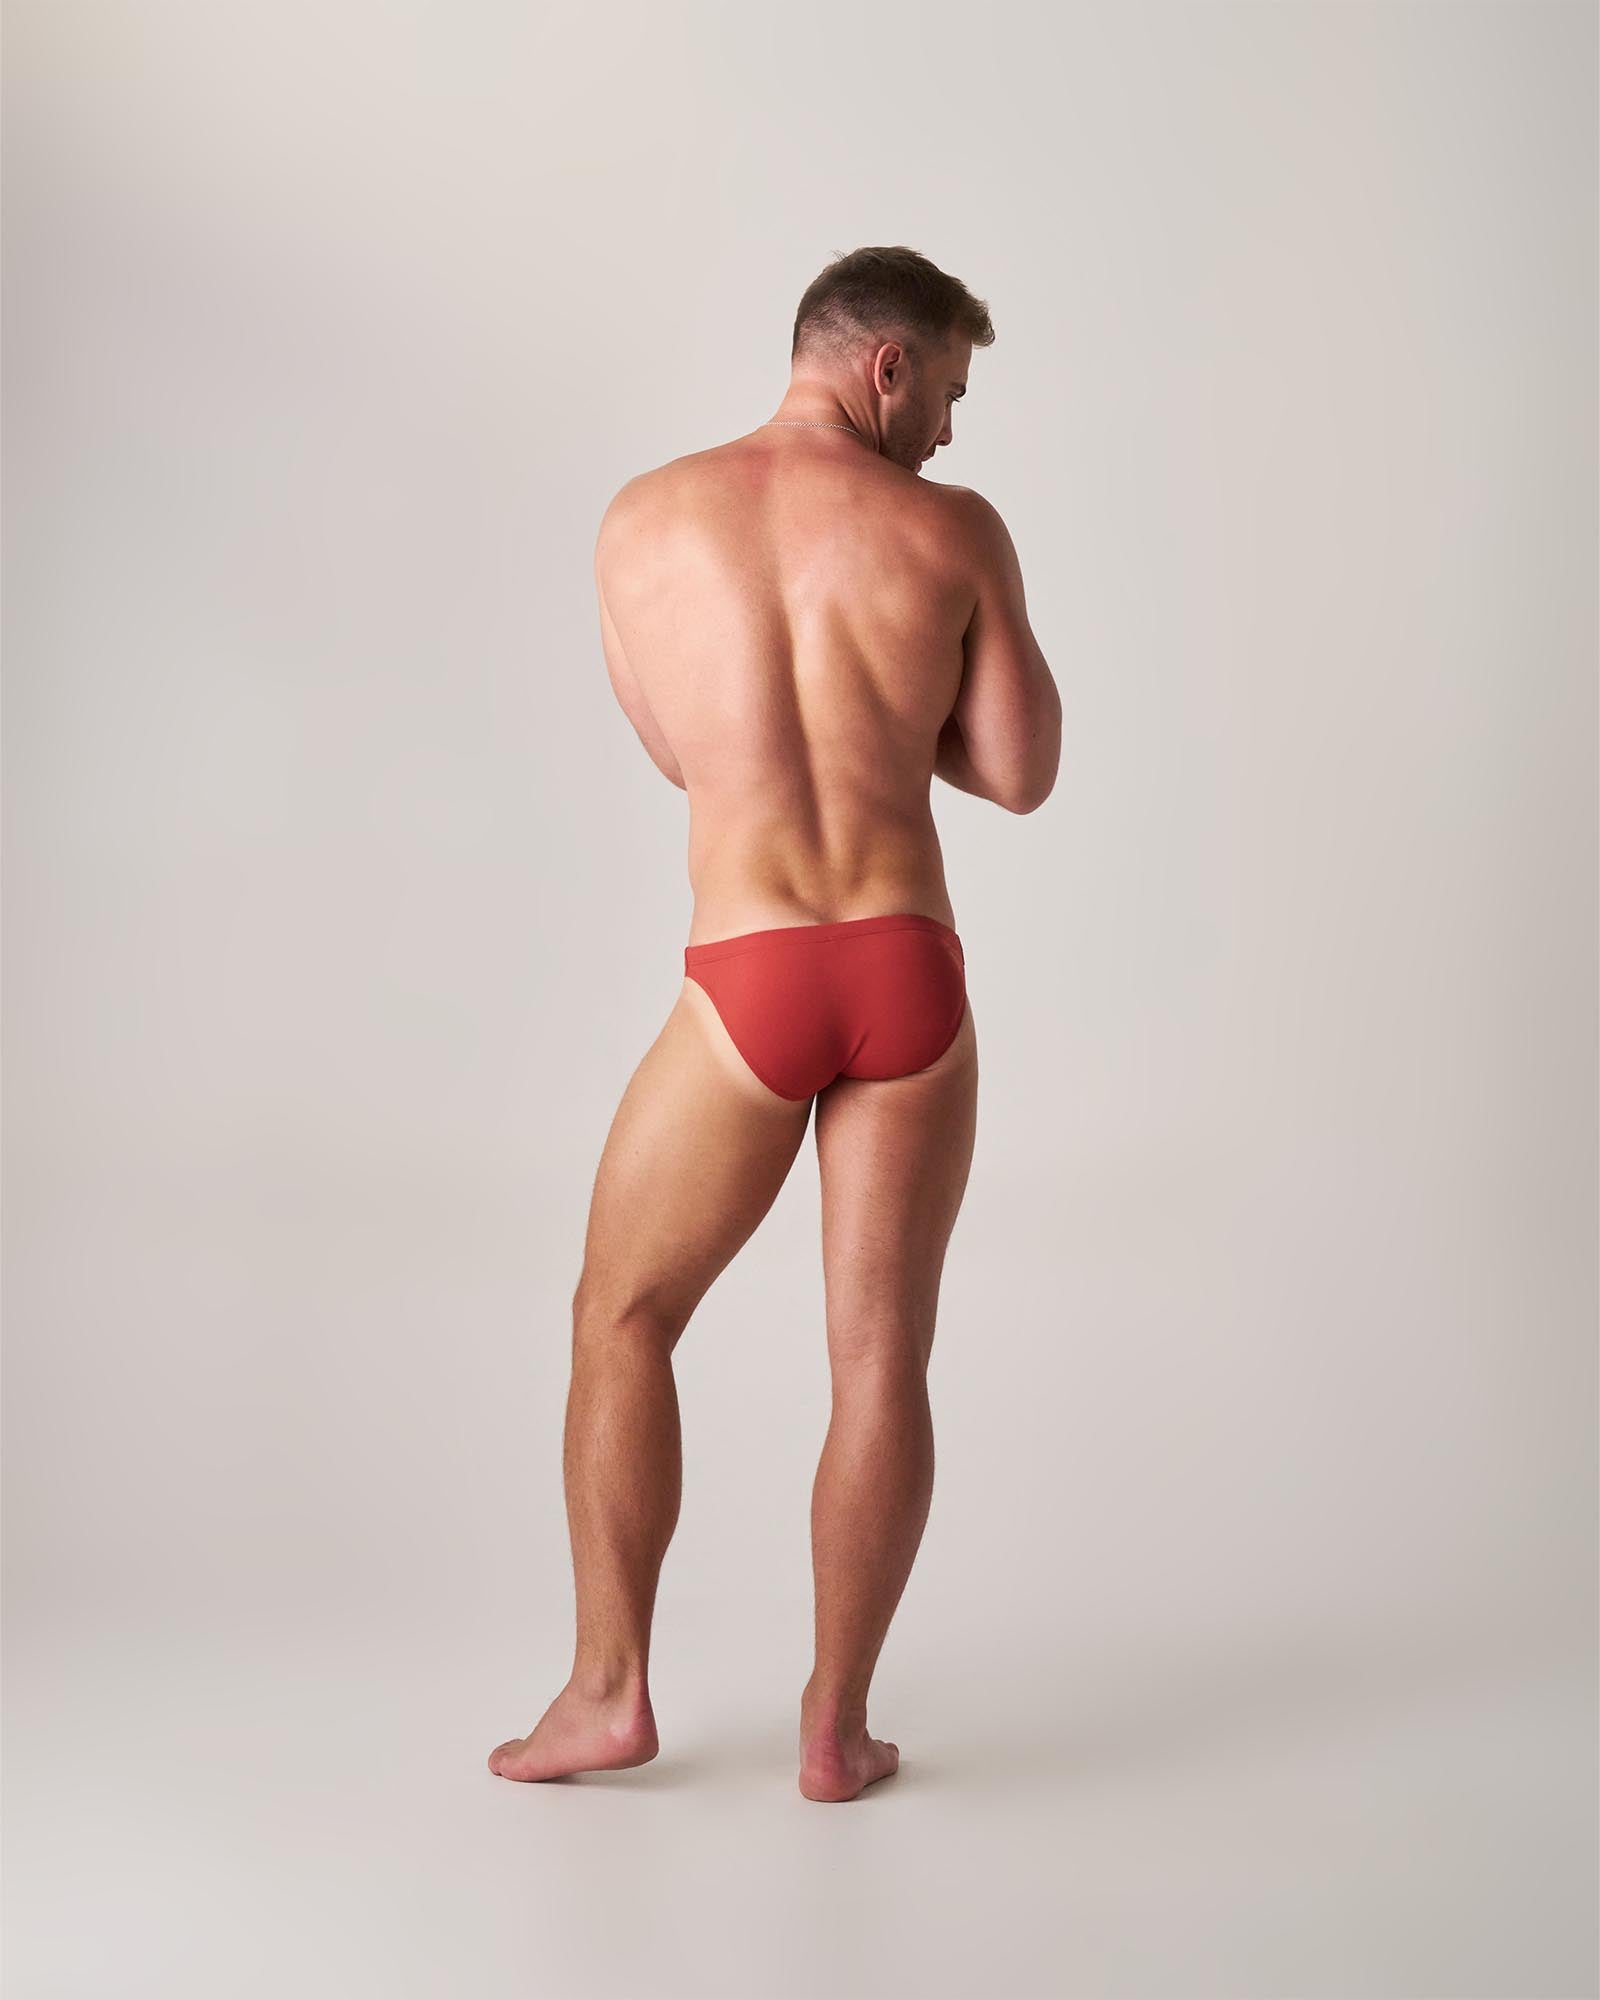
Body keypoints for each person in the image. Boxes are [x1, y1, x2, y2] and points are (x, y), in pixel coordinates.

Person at [488, 245, 1061, 1803]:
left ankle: (607, 1692)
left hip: (749, 972)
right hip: (905, 967)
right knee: (879, 1359)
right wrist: (899, 709)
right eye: (949, 390)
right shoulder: (954, 532)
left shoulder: (642, 520)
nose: (949, 429)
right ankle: (835, 1727)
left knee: (623, 1317)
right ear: (886, 367)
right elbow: (1019, 771)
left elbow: (685, 752)